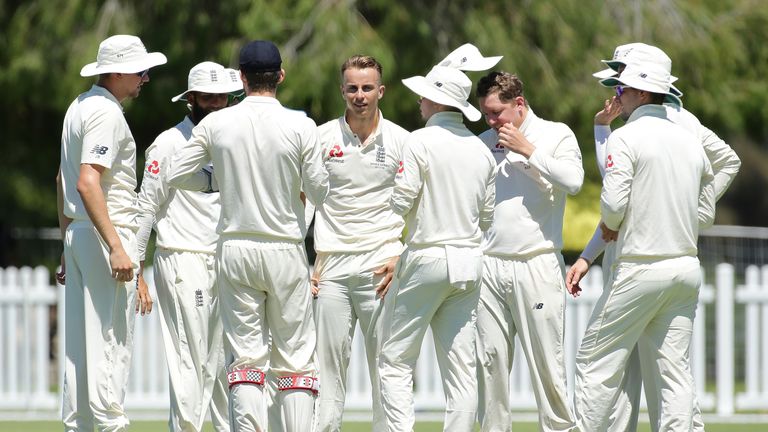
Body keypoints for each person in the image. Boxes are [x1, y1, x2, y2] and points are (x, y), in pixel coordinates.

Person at [566, 43, 741, 432]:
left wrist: (613, 225)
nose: (617, 96)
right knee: (673, 372)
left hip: (638, 267)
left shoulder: (626, 138)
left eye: (622, 89)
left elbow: (612, 206)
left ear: (642, 92)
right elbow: (705, 213)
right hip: (683, 267)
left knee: (596, 362)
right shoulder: (690, 142)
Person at [167, 40, 329, 432]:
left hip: (234, 248)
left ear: (241, 78)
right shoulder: (301, 124)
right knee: (295, 359)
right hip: (285, 248)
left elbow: (173, 172)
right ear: (281, 76)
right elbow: (321, 191)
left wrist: (215, 182)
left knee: (245, 360)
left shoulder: (216, 124)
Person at [378, 65, 497, 432]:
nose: (419, 100)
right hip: (469, 260)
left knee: (394, 361)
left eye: (424, 95)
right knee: (461, 370)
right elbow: (487, 218)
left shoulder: (420, 141)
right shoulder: (481, 151)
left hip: (428, 255)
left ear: (435, 101)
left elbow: (401, 200)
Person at [57, 34, 165, 431]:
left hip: (83, 235)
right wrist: (118, 247)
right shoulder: (106, 113)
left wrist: (66, 246)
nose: (146, 78)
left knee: (81, 353)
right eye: (140, 70)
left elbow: (61, 181)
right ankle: (109, 425)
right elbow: (87, 183)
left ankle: (83, 425)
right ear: (117, 71)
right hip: (105, 236)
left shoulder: (78, 107)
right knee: (109, 346)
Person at [135, 61, 242, 432]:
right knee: (190, 360)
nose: (215, 103)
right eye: (207, 97)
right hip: (182, 259)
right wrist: (136, 270)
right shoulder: (168, 143)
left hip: (225, 260)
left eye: (221, 97)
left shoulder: (233, 142)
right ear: (191, 99)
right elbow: (145, 208)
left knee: (223, 365)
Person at [474, 71, 583, 432]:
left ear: (518, 104)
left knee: (548, 371)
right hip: (489, 267)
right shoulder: (483, 142)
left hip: (537, 263)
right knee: (489, 368)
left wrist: (528, 150)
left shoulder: (556, 134)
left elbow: (574, 181)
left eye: (496, 113)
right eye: (486, 115)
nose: (491, 122)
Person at [311, 55, 410, 432]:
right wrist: (302, 262)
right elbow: (303, 201)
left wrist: (403, 256)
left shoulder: (402, 140)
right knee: (327, 372)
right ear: (342, 91)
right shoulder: (321, 138)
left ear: (380, 91)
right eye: (352, 88)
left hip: (381, 266)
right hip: (332, 266)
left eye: (367, 87)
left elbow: (419, 204)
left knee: (386, 369)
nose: (360, 95)